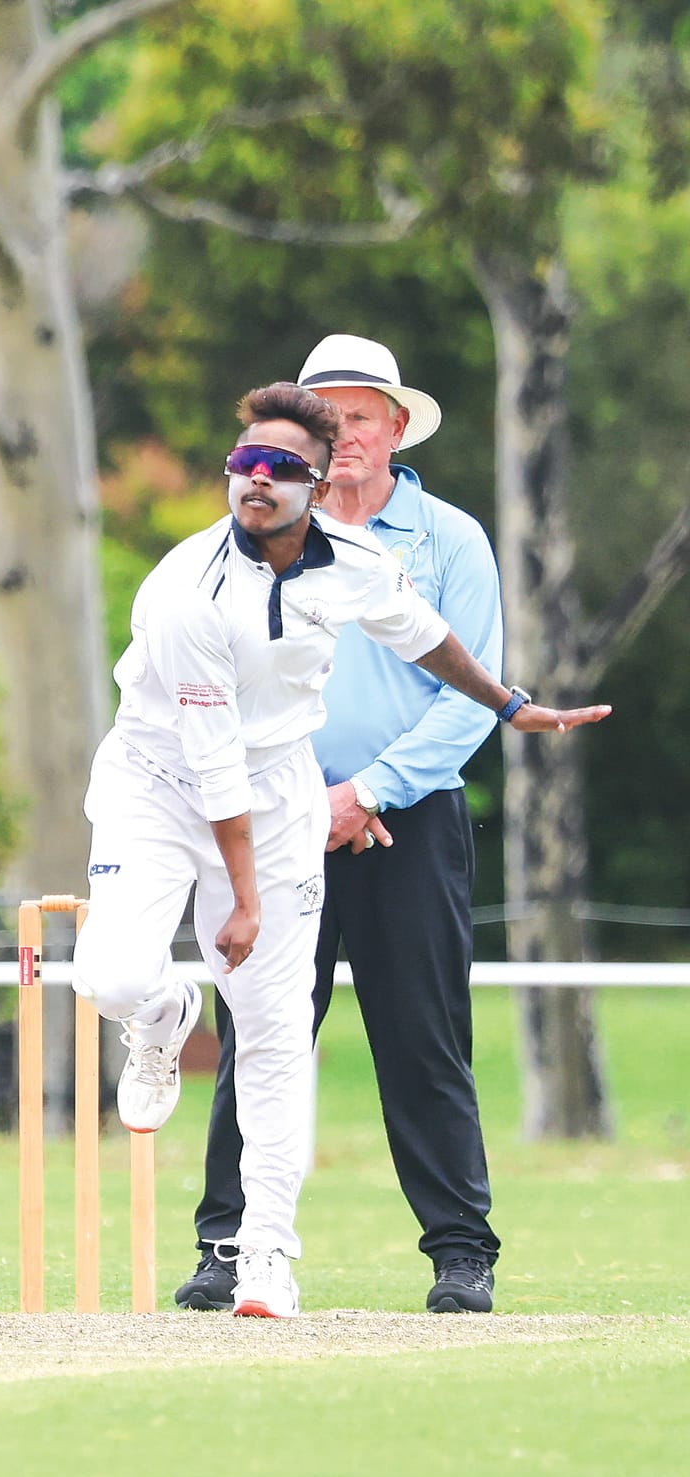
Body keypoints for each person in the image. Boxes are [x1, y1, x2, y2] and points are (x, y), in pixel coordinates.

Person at [72, 381, 607, 1320]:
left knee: (298, 1027)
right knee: (115, 979)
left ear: (319, 483)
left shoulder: (366, 556)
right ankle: (163, 1012)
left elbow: (435, 643)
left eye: (282, 469)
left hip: (295, 792)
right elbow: (211, 762)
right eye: (245, 464)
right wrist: (244, 899)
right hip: (170, 784)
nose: (259, 481)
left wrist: (513, 706)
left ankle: (266, 1253)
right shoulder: (185, 592)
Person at [176, 336, 507, 1317]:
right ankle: (226, 1246)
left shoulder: (448, 538)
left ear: (394, 427)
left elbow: (470, 694)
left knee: (423, 1039)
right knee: (262, 1036)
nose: (344, 437)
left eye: (360, 417)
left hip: (406, 825)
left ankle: (459, 1252)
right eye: (326, 421)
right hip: (276, 826)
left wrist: (364, 792)